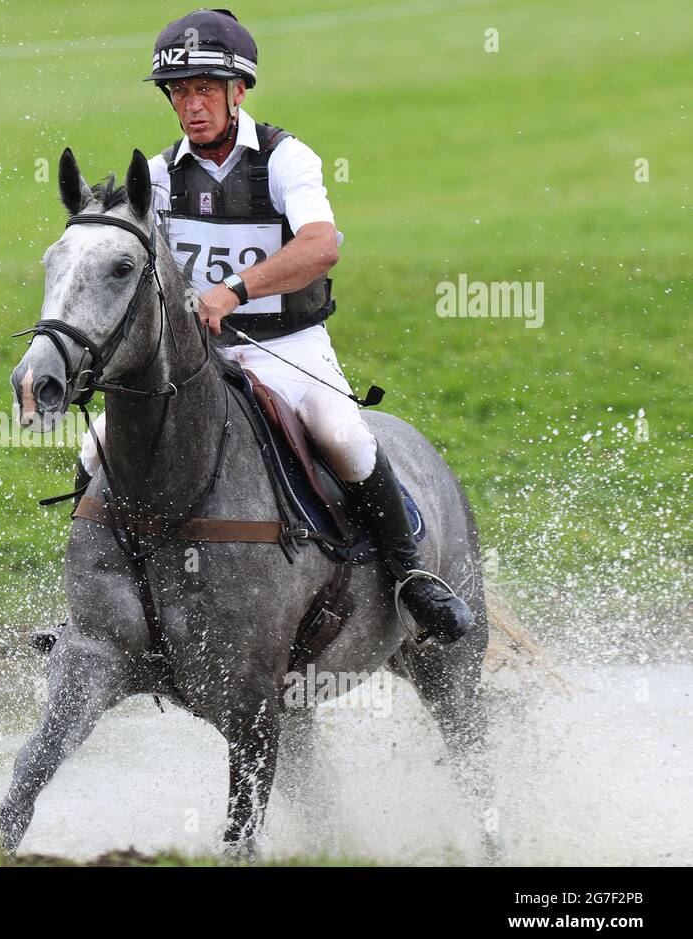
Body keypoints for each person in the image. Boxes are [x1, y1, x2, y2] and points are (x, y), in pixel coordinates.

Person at [30, 8, 470, 651]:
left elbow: (320, 248)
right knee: (97, 446)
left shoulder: (287, 159)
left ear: (239, 90)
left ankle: (411, 579)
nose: (192, 104)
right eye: (180, 91)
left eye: (206, 88)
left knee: (342, 433)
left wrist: (234, 291)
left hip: (287, 346)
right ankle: (97, 605)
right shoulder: (154, 176)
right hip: (198, 358)